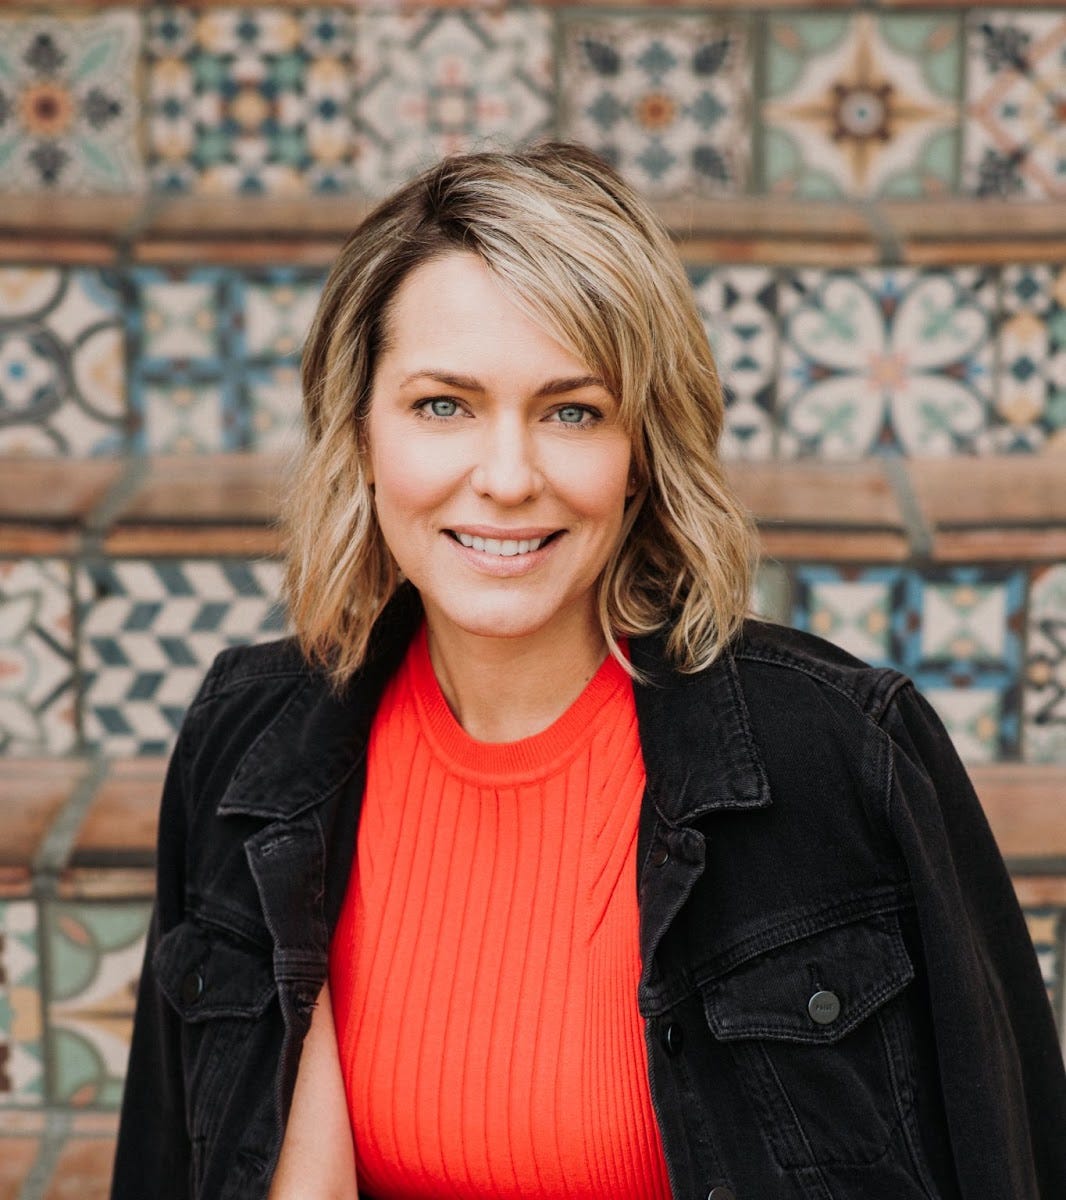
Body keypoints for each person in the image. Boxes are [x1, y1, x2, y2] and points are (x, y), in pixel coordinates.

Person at [111, 142, 1066, 1200]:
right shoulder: (248, 747)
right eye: (442, 405)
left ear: (641, 454)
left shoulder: (842, 757)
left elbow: (1008, 1153)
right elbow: (165, 1158)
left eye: (573, 411)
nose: (507, 477)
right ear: (361, 432)